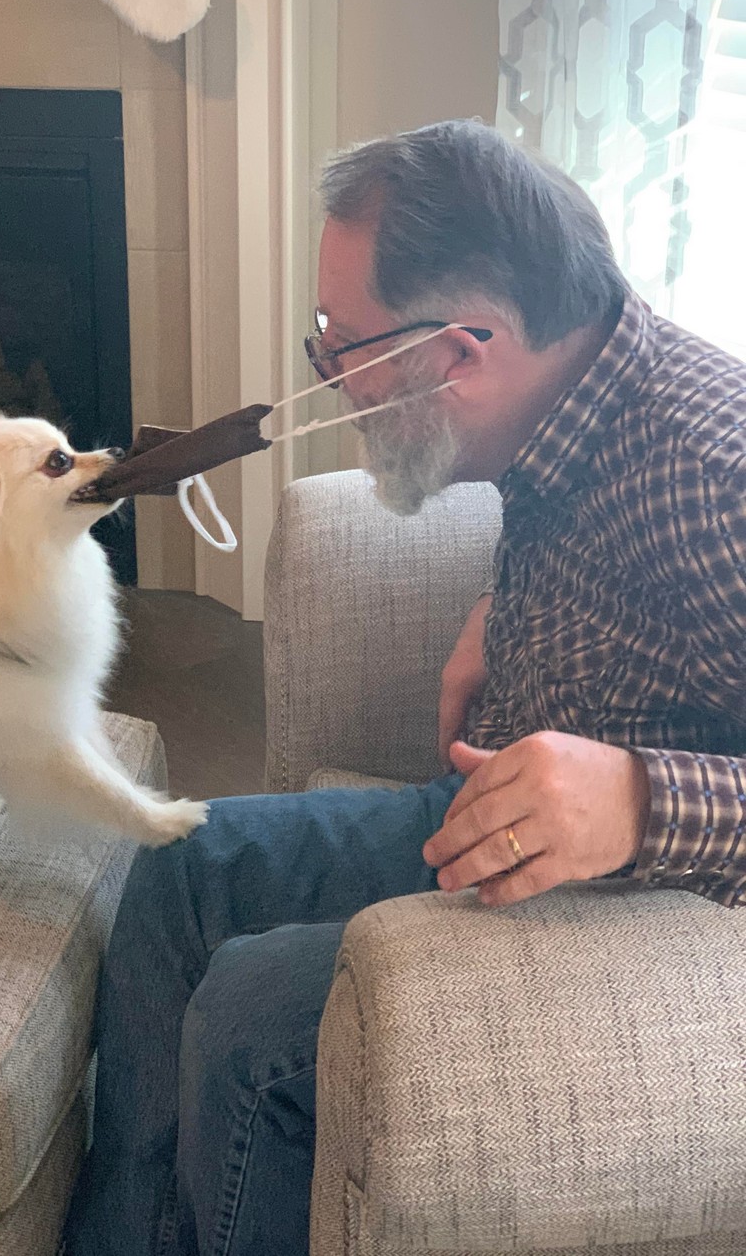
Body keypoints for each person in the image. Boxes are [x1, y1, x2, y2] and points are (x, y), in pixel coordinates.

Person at [63, 119, 746, 1256]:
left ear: (463, 352)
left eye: (345, 346)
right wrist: (505, 608)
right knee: (180, 859)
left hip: (647, 901)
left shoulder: (716, 479)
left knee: (250, 1016)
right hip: (488, 817)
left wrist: (639, 797)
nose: (329, 377)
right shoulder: (569, 383)